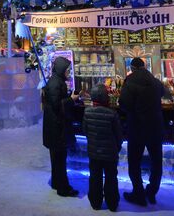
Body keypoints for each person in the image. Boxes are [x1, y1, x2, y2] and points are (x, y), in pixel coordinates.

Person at [119, 57, 165, 206]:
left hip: (137, 127)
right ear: (144, 67)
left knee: (134, 162)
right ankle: (152, 193)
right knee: (156, 161)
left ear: (132, 68)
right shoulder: (155, 81)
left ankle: (138, 194)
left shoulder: (130, 81)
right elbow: (164, 94)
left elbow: (124, 104)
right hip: (156, 127)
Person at [42, 56, 79, 197]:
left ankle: (57, 183)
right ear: (61, 69)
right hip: (56, 129)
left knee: (57, 158)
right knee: (59, 159)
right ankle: (63, 188)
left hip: (55, 128)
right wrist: (71, 99)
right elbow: (57, 105)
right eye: (67, 69)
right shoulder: (55, 84)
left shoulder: (56, 81)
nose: (68, 71)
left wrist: (69, 96)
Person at [83, 84, 123, 211]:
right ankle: (112, 203)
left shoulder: (87, 112)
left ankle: (95, 202)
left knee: (95, 177)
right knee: (111, 177)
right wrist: (117, 147)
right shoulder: (112, 113)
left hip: (94, 151)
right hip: (110, 152)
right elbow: (118, 135)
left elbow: (85, 131)